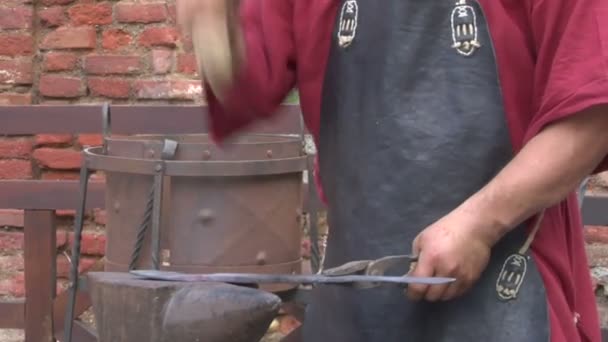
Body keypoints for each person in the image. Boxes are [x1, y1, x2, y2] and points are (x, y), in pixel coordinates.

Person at [177, 0, 608, 341]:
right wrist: (215, 26)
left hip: (507, 298)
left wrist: (479, 223)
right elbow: (247, 88)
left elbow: (592, 119)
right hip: (356, 304)